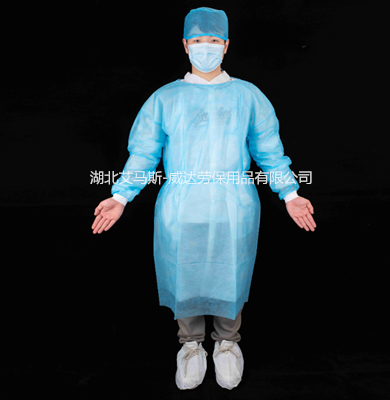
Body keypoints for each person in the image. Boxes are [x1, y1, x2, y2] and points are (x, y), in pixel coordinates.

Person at [92, 7, 316, 391]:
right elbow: (144, 153)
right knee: (185, 273)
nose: (205, 47)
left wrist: (290, 193)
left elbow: (269, 150)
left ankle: (228, 343)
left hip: (234, 204)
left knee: (231, 272)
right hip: (182, 205)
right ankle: (190, 345)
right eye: (198, 40)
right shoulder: (165, 99)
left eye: (213, 40)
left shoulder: (247, 96)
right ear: (185, 45)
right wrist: (121, 196)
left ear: (226, 45)